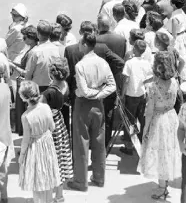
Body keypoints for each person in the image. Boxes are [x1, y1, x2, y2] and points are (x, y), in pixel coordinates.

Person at [68, 34, 116, 192]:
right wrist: (100, 94)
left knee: (81, 143)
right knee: (99, 142)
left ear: (83, 44)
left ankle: (81, 182)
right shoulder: (102, 62)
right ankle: (99, 177)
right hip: (98, 105)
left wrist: (92, 93)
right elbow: (112, 85)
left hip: (83, 105)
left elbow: (83, 91)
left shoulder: (80, 65)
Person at [138, 52, 181, 201]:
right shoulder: (175, 82)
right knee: (168, 151)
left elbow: (149, 111)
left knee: (159, 154)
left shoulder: (153, 86)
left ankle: (162, 188)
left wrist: (145, 129)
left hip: (158, 120)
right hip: (171, 116)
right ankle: (165, 184)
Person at [17, 82, 61, 203]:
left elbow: (26, 138)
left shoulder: (25, 116)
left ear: (24, 97)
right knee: (48, 179)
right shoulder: (46, 107)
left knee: (37, 182)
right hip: (48, 144)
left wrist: (21, 156)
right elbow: (52, 127)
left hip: (35, 146)